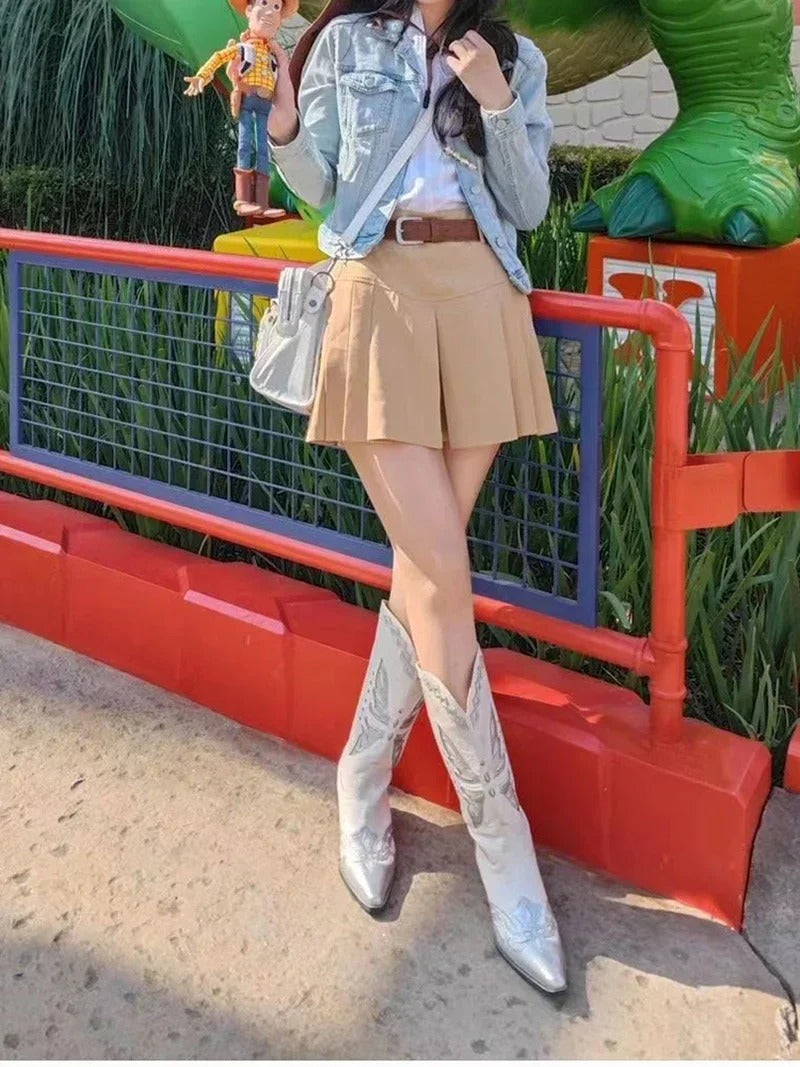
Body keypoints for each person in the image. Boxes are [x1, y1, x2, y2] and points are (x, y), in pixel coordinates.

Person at [267, 0, 566, 994]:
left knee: (424, 575)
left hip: (482, 297)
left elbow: (529, 205)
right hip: (378, 291)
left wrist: (496, 102)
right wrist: (280, 123)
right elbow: (319, 187)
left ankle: (361, 774)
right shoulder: (347, 43)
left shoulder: (513, 56)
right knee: (443, 568)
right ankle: (503, 844)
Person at [184, 0, 295, 218]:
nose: (270, 12)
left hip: (266, 107)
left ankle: (262, 203)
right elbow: (219, 57)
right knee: (245, 145)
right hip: (248, 100)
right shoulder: (245, 49)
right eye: (264, 3)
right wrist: (202, 76)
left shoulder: (273, 56)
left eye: (276, 7)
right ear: (249, 10)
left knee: (263, 151)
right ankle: (243, 199)